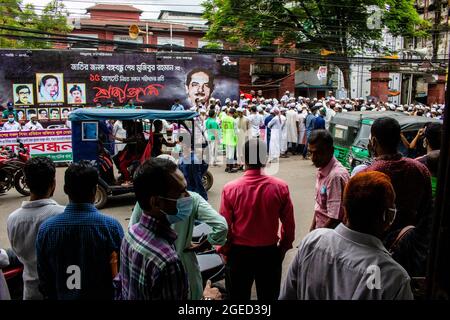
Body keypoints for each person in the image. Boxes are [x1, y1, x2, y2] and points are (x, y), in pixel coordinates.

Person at [279, 171, 414, 300]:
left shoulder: (312, 242)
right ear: (387, 216)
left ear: (345, 209)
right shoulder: (393, 279)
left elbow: (287, 295)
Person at [128, 155, 228, 300]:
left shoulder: (130, 238)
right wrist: (207, 299)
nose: (188, 196)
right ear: (156, 202)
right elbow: (221, 225)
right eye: (180, 192)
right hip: (187, 266)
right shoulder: (169, 261)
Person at [36, 161, 124, 300]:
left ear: (65, 189)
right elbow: (122, 272)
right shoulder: (111, 227)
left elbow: (44, 278)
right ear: (95, 190)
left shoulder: (47, 229)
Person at [220, 139, 295, 300]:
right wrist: (282, 248)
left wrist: (225, 250)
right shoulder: (280, 187)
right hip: (269, 254)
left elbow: (224, 227)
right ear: (265, 158)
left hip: (239, 254)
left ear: (243, 158)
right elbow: (289, 226)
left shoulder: (230, 189)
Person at [364, 117, 432, 240]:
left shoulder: (367, 175)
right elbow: (427, 210)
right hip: (411, 242)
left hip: (376, 245)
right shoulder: (420, 169)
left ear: (373, 141)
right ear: (398, 139)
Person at [7, 157, 64, 300]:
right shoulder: (63, 215)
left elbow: (18, 254)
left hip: (30, 291)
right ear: (53, 184)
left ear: (25, 183)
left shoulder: (13, 219)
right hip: (61, 289)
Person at [309, 130, 350, 230]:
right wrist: (311, 231)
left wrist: (316, 238)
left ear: (331, 151)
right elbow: (319, 208)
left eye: (318, 153)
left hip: (328, 236)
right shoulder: (322, 169)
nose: (313, 158)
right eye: (310, 153)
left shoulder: (335, 176)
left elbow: (335, 219)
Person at [221, 107, 238, 173]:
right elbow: (236, 131)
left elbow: (222, 127)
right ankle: (230, 168)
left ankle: (227, 167)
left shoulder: (224, 119)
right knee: (231, 153)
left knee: (227, 153)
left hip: (225, 137)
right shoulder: (233, 120)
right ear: (233, 113)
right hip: (231, 138)